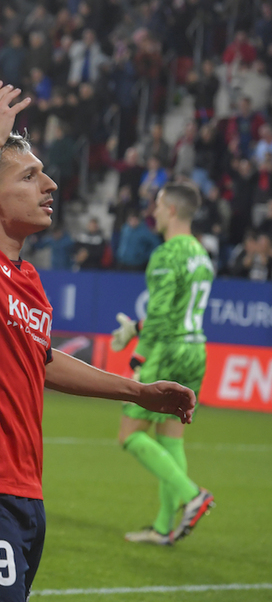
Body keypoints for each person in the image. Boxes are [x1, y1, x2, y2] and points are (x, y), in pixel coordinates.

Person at [0, 81, 196, 602]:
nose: (52, 185)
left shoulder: (27, 280)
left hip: (22, 489)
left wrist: (137, 392)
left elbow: (39, 361)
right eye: (30, 175)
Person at [110, 184, 216, 545]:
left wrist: (138, 354)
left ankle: (192, 496)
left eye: (157, 204)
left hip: (168, 350)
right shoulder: (202, 255)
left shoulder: (166, 254)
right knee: (171, 439)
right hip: (196, 350)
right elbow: (177, 311)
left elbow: (159, 315)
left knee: (130, 435)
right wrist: (137, 329)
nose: (153, 211)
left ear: (171, 208)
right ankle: (162, 527)